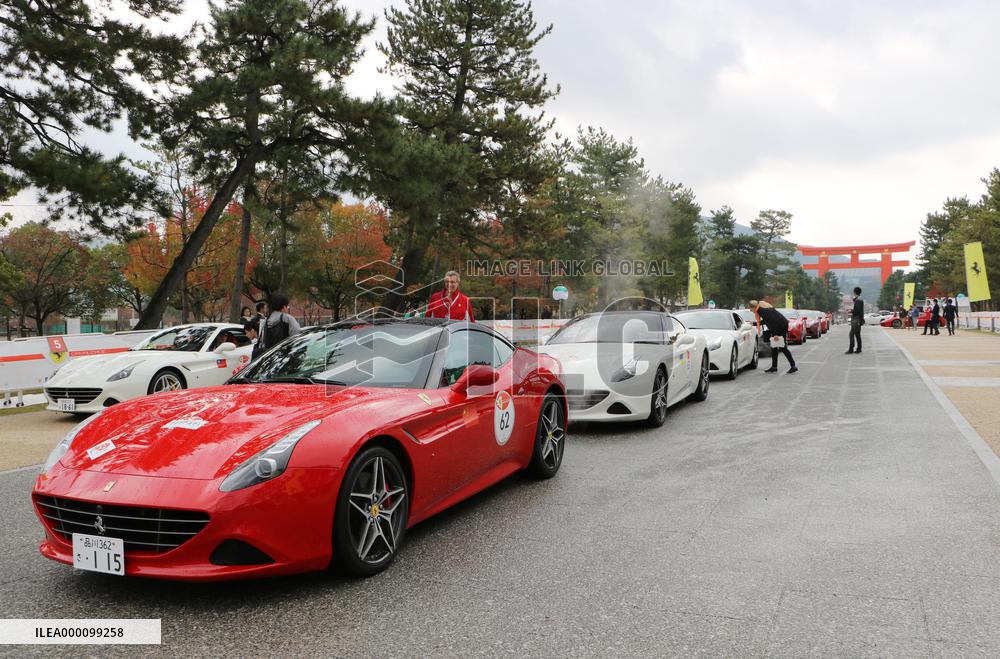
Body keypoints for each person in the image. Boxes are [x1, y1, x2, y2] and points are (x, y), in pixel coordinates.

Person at [750, 299, 798, 374]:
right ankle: (774, 367)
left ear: (753, 307)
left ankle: (793, 366)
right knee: (774, 347)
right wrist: (754, 324)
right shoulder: (761, 310)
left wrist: (775, 334)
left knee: (782, 347)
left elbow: (773, 322)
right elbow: (767, 321)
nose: (750, 310)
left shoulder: (762, 311)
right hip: (780, 325)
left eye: (750, 308)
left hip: (781, 326)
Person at [846, 286, 864, 354]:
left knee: (851, 334)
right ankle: (859, 348)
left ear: (854, 292)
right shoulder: (858, 299)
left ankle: (851, 349)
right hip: (858, 320)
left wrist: (851, 311)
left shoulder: (858, 300)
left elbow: (857, 311)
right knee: (857, 335)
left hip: (856, 320)